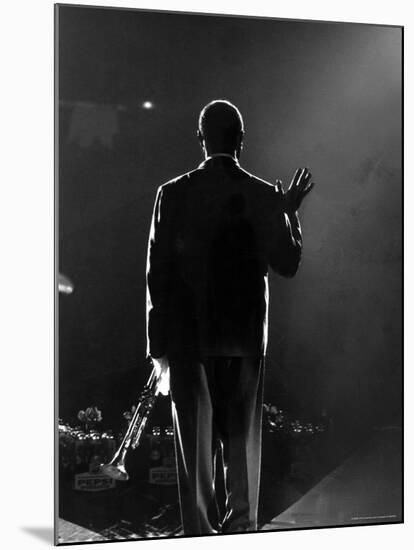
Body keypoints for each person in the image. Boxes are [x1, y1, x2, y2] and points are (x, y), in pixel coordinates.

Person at [145, 99, 314, 535]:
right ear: (241, 139)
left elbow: (156, 273)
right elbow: (288, 263)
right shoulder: (263, 195)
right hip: (243, 342)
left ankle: (200, 538)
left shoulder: (173, 193)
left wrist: (157, 347)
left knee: (196, 465)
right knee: (242, 457)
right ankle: (242, 536)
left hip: (189, 342)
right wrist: (289, 213)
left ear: (200, 138)